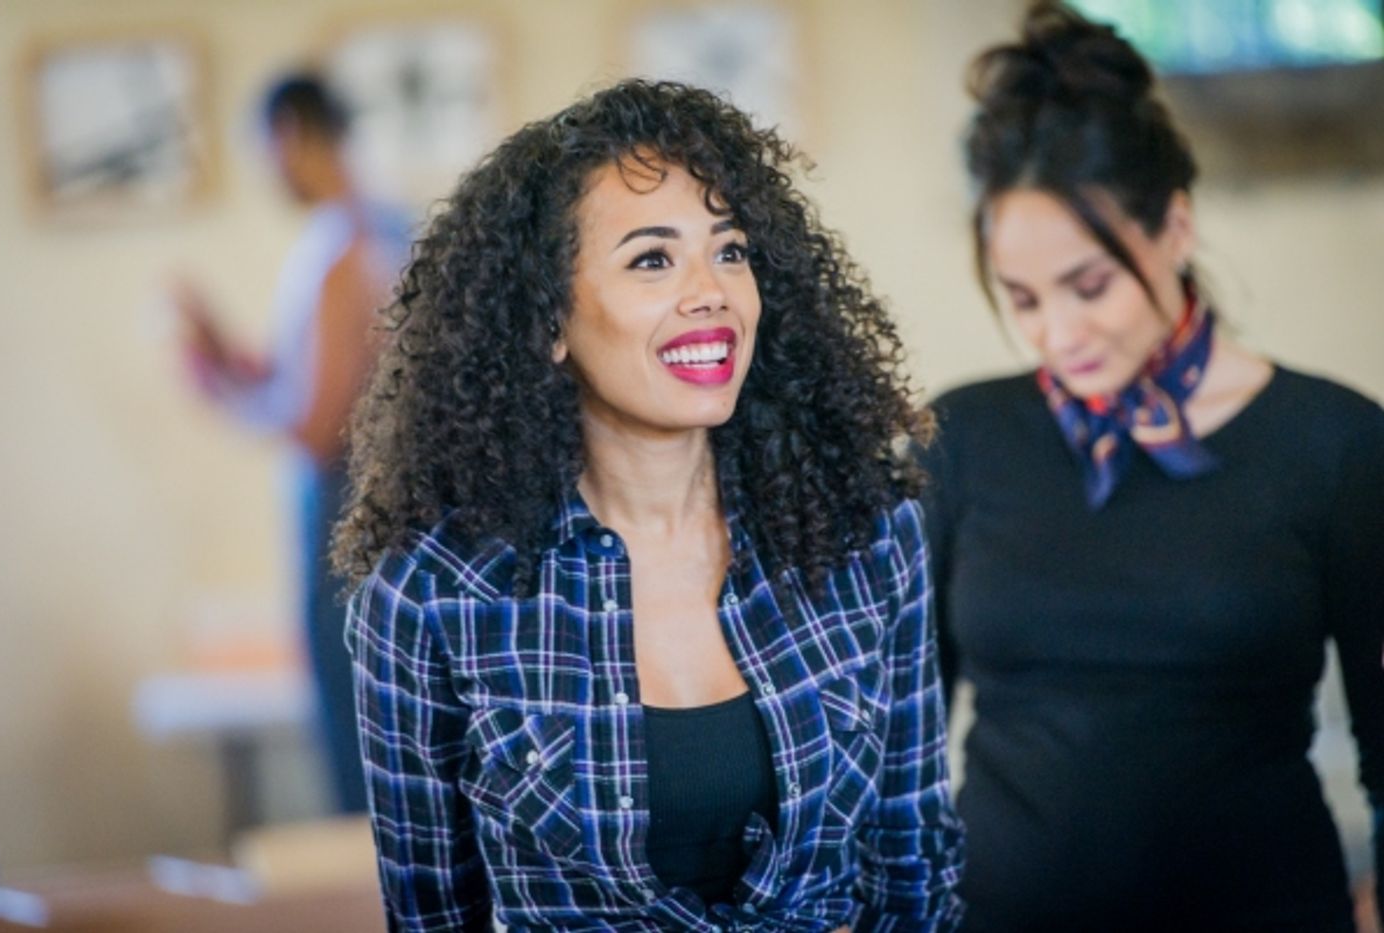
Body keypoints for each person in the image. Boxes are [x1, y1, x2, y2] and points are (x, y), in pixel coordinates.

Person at [335, 79, 965, 931]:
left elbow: (913, 865)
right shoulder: (432, 595)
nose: (710, 291)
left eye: (731, 250)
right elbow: (431, 913)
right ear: (549, 319)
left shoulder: (867, 529)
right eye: (652, 258)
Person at [921, 4, 1384, 931]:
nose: (1057, 333)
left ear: (1175, 227)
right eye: (1022, 298)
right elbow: (896, 732)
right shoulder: (963, 435)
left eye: (1089, 285)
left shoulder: (1334, 443)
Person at [175, 72, 409, 814]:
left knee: (356, 748)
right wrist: (230, 357)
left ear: (292, 137)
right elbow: (305, 373)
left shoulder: (348, 249)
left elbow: (316, 425)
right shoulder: (378, 230)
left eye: (262, 151)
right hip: (379, 524)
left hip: (350, 522)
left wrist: (219, 392)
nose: (264, 171)